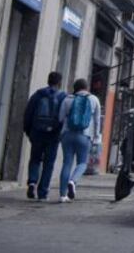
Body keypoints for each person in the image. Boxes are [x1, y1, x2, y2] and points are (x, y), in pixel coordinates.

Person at [22, 71, 66, 200]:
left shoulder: (38, 95)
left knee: (35, 159)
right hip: (53, 135)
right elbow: (64, 118)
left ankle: (32, 182)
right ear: (59, 83)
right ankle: (43, 192)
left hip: (37, 132)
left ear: (48, 81)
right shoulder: (63, 97)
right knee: (49, 163)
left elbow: (28, 113)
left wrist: (28, 130)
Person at [57, 78, 102, 203]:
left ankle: (62, 195)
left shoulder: (67, 99)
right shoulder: (93, 99)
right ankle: (73, 181)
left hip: (67, 135)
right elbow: (98, 121)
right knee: (82, 163)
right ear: (87, 88)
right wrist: (96, 137)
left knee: (67, 163)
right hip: (84, 136)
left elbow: (60, 118)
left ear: (74, 88)